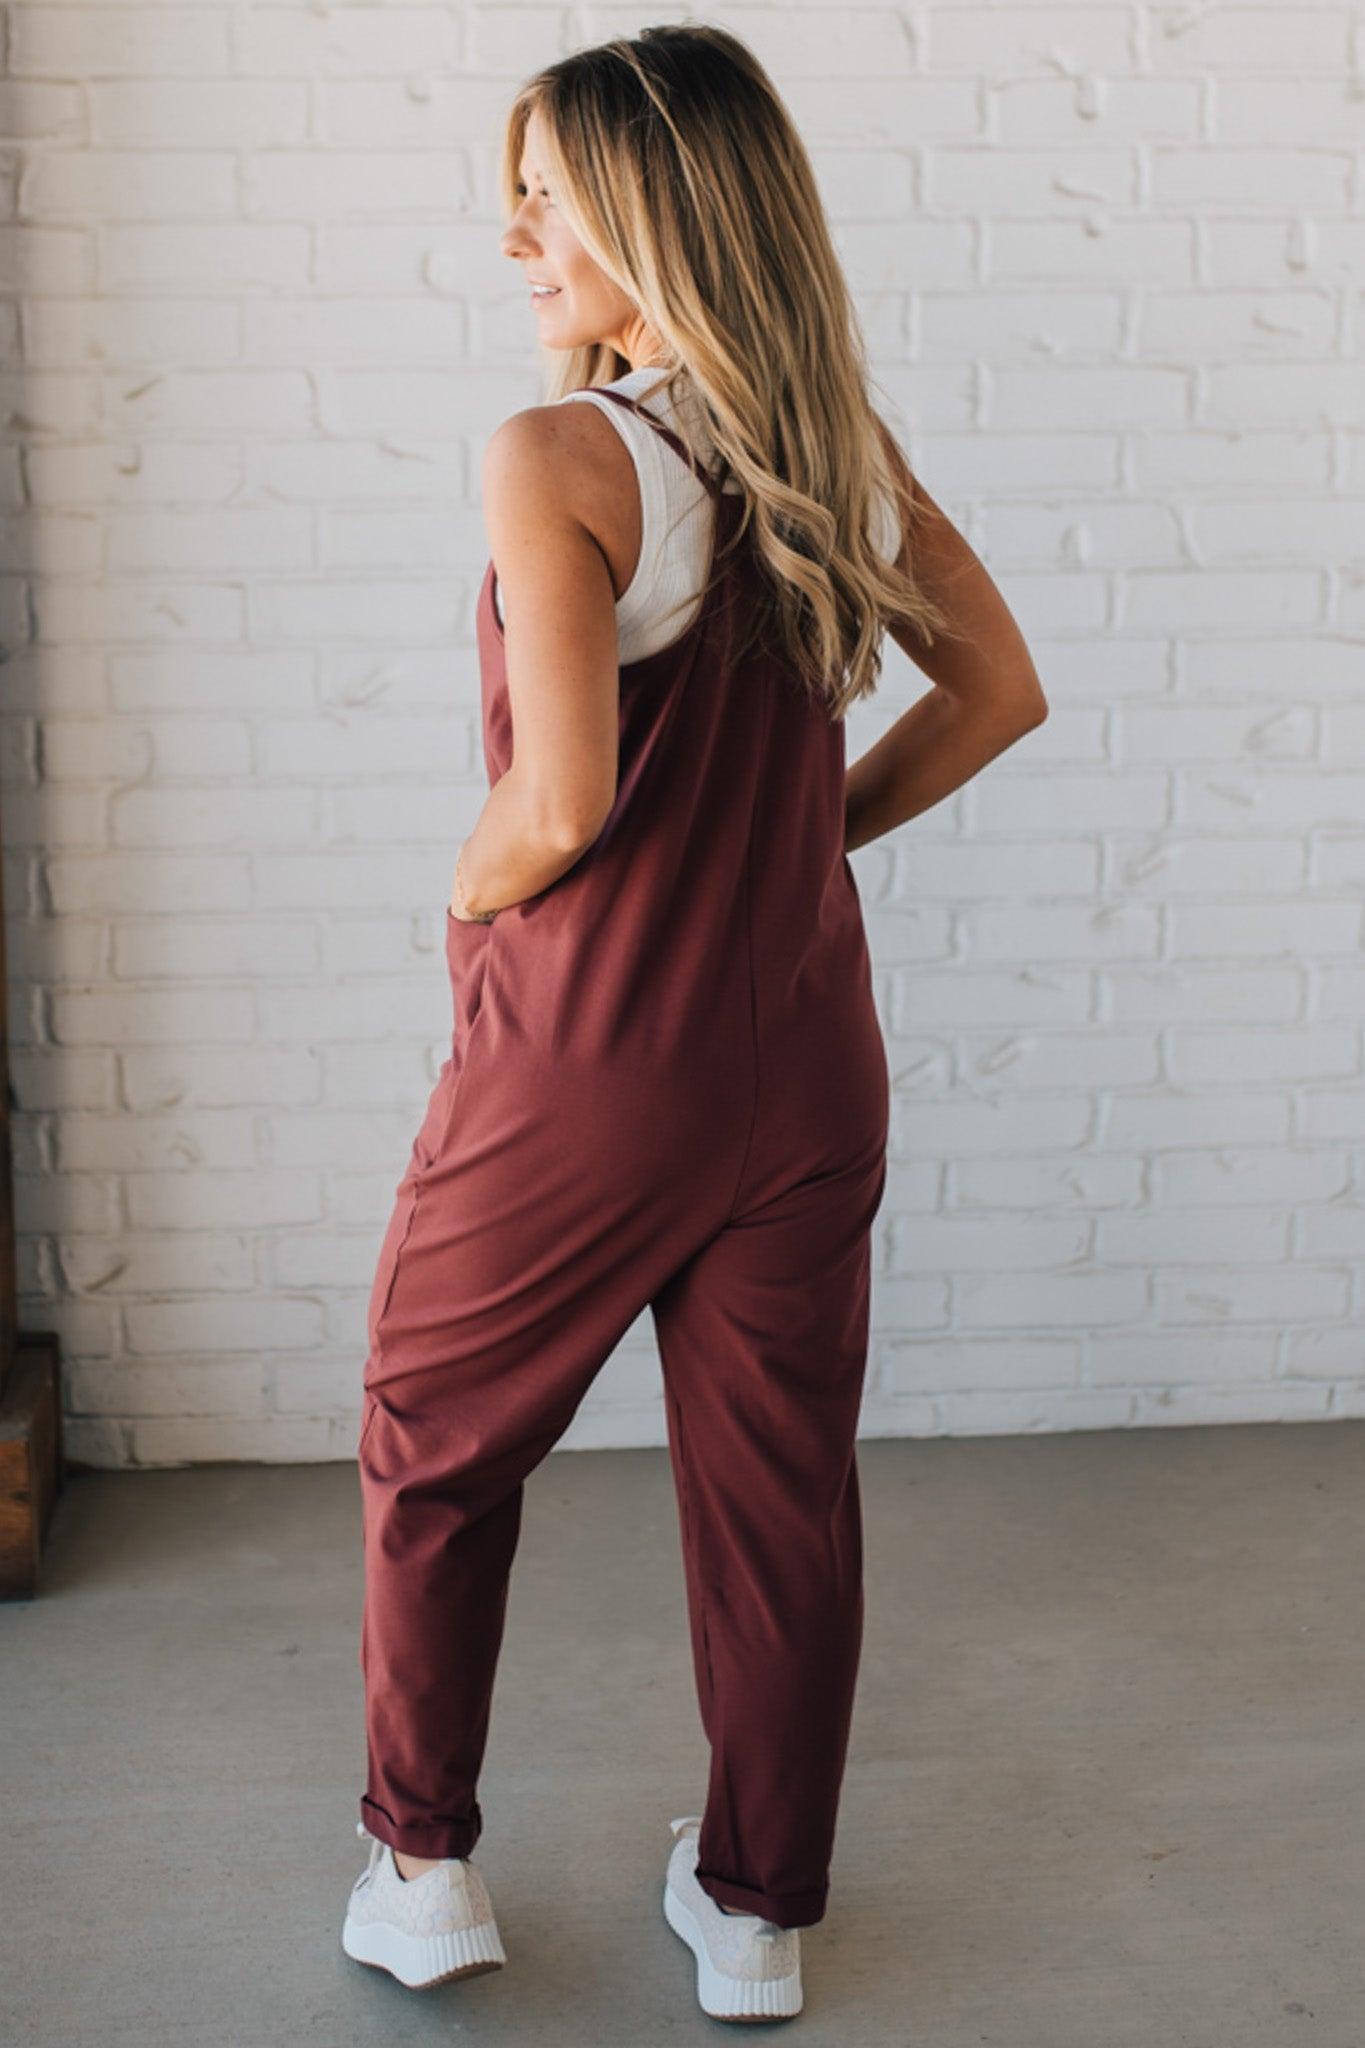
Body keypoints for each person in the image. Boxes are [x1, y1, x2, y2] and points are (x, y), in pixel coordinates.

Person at [341, 23, 1048, 2022]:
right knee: (774, 1482)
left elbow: (556, 806)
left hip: (585, 1068)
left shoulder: (553, 456)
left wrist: (463, 885)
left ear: (652, 214)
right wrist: (794, 841)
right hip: (802, 1061)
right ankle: (755, 1911)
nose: (513, 238)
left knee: (433, 1439)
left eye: (546, 199)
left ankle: (421, 1868)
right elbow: (994, 691)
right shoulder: (822, 451)